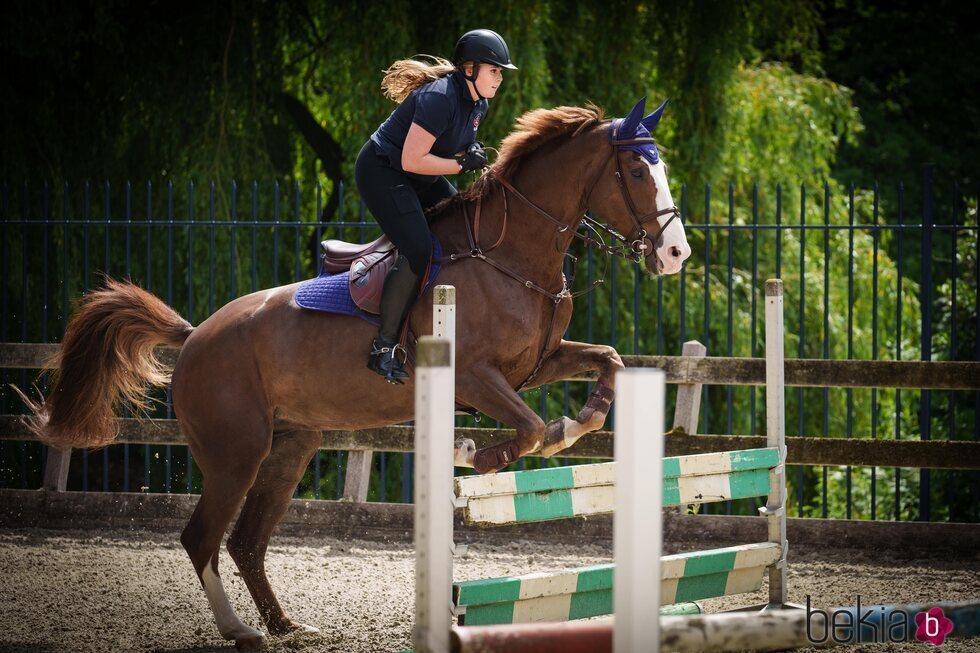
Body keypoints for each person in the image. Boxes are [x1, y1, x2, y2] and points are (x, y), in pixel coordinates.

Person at [355, 29, 517, 384]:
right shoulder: (440, 98)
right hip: (383, 171)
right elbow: (412, 160)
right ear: (470, 69)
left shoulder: (479, 104)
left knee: (462, 223)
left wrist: (467, 153)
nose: (500, 77)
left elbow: (446, 147)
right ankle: (383, 347)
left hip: (414, 173)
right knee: (418, 248)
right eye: (495, 70)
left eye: (502, 72)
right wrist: (461, 165)